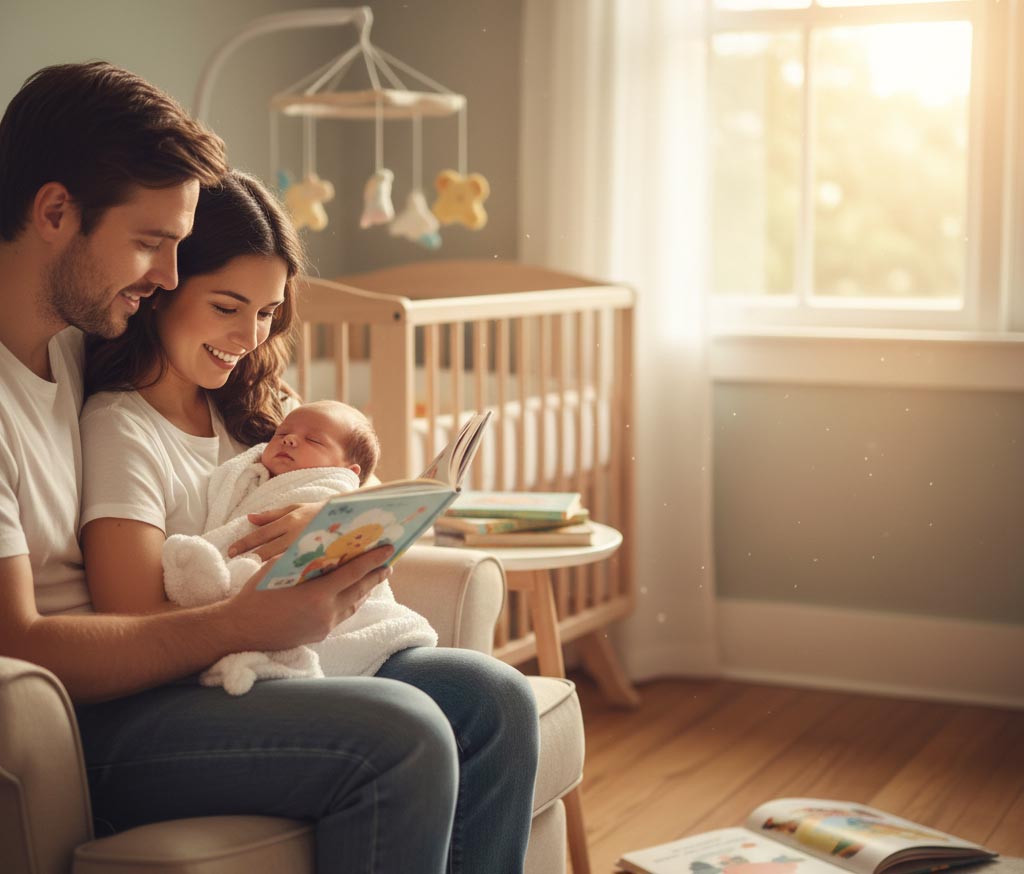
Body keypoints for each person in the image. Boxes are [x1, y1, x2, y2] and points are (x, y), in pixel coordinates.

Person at [0, 61, 538, 873]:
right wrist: (245, 621)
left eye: (177, 248)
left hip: (181, 669)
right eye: (151, 245)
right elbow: (20, 640)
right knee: (406, 734)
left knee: (493, 700)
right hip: (96, 714)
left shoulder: (83, 340)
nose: (168, 278)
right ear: (52, 211)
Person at [157, 398, 436, 694]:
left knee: (484, 681)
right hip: (246, 612)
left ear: (348, 471)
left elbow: (364, 508)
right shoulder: (249, 478)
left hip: (333, 621)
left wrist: (330, 510)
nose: (289, 439)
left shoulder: (331, 487)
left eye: (313, 439)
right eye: (280, 434)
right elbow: (232, 523)